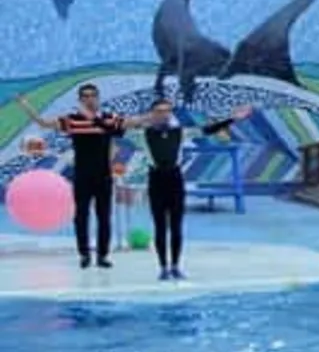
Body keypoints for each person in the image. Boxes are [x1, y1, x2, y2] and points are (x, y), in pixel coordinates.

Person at [15, 84, 134, 268]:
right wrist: (25, 105)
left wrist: (151, 118)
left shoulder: (108, 119)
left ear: (98, 98)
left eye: (93, 95)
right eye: (85, 96)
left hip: (103, 175)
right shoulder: (72, 120)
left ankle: (102, 255)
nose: (89, 98)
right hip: (82, 175)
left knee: (104, 216)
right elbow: (43, 123)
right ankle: (84, 254)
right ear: (80, 100)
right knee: (81, 216)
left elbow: (130, 125)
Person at [139, 96, 253, 280]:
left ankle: (175, 266)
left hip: (175, 179)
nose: (164, 115)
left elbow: (207, 129)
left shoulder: (180, 132)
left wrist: (232, 119)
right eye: (159, 111)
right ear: (152, 114)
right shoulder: (141, 133)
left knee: (176, 225)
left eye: (167, 111)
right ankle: (163, 267)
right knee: (160, 226)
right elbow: (115, 129)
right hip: (156, 179)